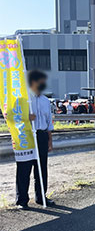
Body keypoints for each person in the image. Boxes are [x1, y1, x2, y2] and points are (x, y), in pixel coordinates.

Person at [16, 70, 54, 209]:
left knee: (41, 168)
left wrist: (50, 141)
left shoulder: (45, 101)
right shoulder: (23, 98)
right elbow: (13, 119)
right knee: (24, 168)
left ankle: (41, 197)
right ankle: (22, 200)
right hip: (26, 136)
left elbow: (49, 122)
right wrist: (27, 118)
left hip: (41, 136)